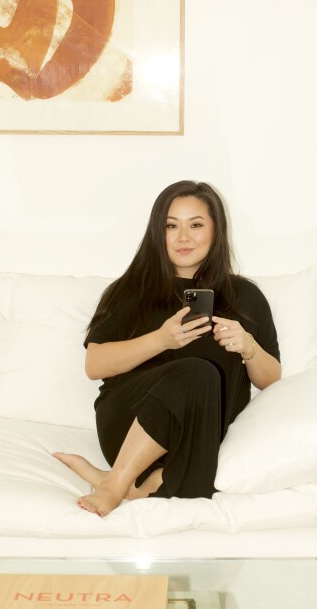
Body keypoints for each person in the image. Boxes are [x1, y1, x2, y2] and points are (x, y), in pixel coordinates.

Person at [54, 180, 281, 517]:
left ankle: (129, 481)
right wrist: (161, 340)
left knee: (193, 495)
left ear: (217, 231)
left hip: (200, 437)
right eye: (171, 226)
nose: (183, 237)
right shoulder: (131, 291)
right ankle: (117, 485)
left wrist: (248, 346)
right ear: (157, 234)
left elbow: (271, 381)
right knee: (196, 371)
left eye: (196, 225)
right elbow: (94, 365)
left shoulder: (244, 296)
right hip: (128, 423)